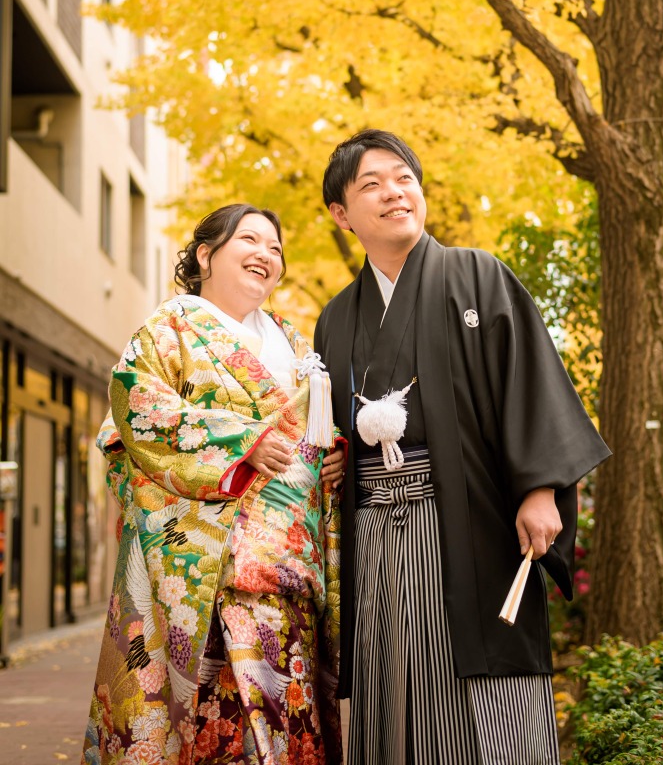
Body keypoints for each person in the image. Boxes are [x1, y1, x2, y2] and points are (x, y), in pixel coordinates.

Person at [314, 130, 611, 765]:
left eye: (404, 178)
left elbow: (527, 385)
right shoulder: (335, 318)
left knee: (486, 696)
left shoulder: (477, 275)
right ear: (342, 215)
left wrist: (539, 491)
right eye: (372, 184)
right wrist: (334, 456)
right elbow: (332, 426)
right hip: (373, 532)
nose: (395, 192)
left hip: (468, 523)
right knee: (389, 685)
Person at [82, 203, 347, 765]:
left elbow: (316, 431)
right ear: (206, 255)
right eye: (250, 240)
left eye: (275, 248)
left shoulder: (295, 345)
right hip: (210, 564)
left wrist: (333, 457)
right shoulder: (170, 328)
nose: (266, 256)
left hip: (291, 566)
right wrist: (239, 442)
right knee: (215, 724)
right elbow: (135, 415)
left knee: (289, 713)